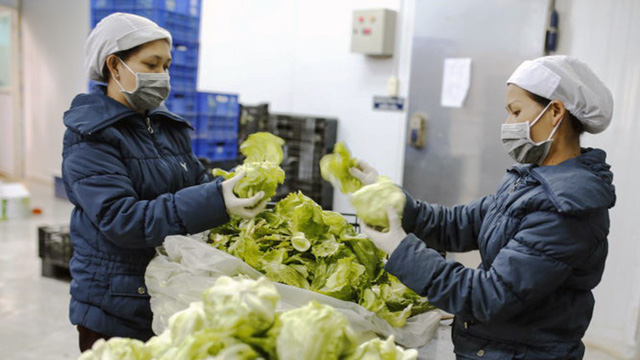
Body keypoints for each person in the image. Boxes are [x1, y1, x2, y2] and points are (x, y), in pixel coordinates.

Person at [353, 56, 616, 360]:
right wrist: (394, 200)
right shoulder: (529, 180)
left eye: (516, 111)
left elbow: (490, 296)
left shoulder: (566, 208)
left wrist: (402, 251)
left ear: (555, 111)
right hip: (491, 348)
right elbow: (459, 224)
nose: (508, 124)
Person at [62, 13, 265, 352]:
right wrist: (214, 201)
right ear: (114, 66)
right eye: (151, 65)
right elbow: (120, 219)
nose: (162, 76)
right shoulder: (91, 136)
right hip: (117, 307)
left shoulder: (167, 127)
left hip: (167, 294)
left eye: (166, 66)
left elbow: (195, 183)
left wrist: (230, 189)